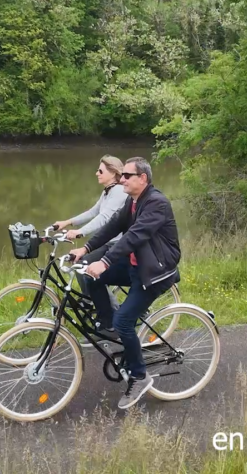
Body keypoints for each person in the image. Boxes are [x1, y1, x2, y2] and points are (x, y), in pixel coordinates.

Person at [69, 156, 181, 410]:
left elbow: (134, 236)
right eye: (121, 176)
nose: (121, 180)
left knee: (125, 321)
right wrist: (85, 249)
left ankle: (140, 376)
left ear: (143, 178)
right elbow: (112, 227)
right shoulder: (133, 202)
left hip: (154, 271)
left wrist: (105, 262)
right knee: (89, 275)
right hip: (136, 265)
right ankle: (109, 325)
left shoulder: (156, 204)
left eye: (127, 176)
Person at [53, 155, 128, 301]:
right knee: (81, 264)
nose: (96, 174)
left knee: (85, 265)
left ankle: (100, 304)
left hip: (116, 244)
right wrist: (67, 222)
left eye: (100, 171)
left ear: (112, 173)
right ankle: (92, 300)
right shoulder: (108, 191)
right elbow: (93, 212)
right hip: (107, 242)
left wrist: (80, 232)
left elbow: (104, 217)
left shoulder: (119, 191)